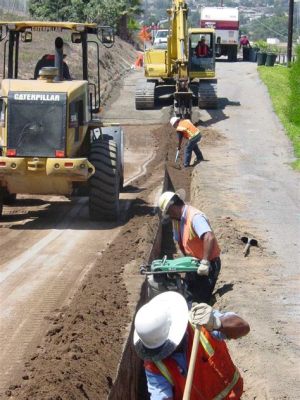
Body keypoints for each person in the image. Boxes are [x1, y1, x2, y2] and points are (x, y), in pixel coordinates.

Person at [134, 291, 250, 400]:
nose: (166, 355)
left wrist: (217, 323)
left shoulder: (200, 322)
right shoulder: (154, 365)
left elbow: (243, 327)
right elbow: (160, 395)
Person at [158, 190, 221, 303]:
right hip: (193, 264)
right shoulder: (177, 221)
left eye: (168, 212)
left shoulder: (195, 217)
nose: (169, 216)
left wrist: (205, 262)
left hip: (207, 266)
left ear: (172, 207)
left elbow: (209, 237)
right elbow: (180, 242)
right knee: (187, 296)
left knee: (199, 302)